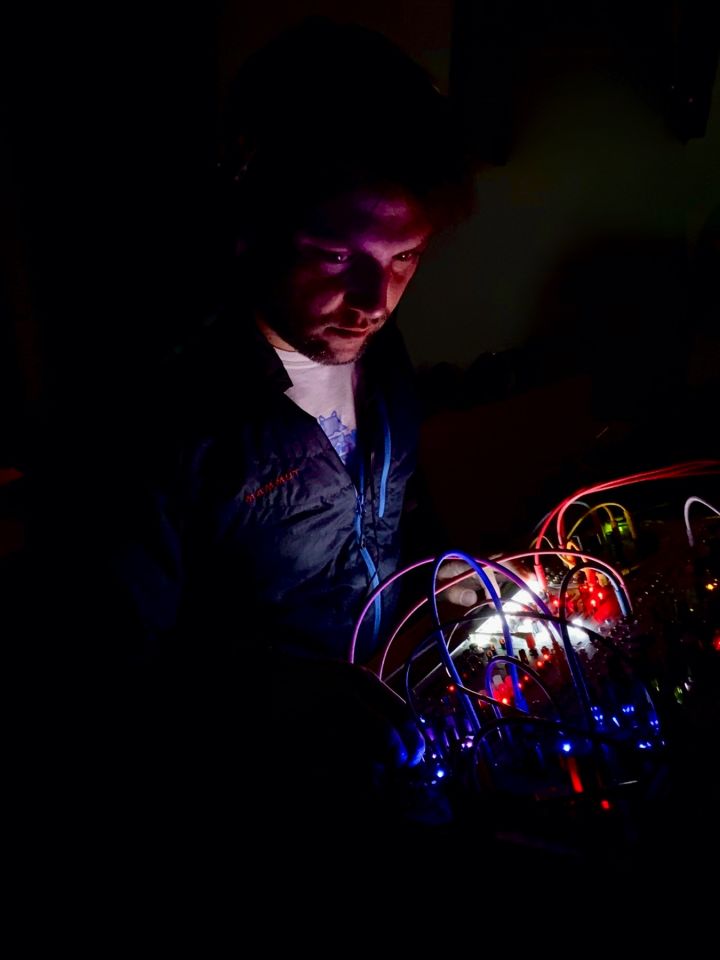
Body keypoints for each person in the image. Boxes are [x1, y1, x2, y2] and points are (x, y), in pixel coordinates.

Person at [21, 18, 476, 843]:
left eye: (405, 257)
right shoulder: (158, 422)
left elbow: (401, 509)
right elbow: (97, 678)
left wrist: (459, 586)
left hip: (387, 781)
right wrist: (276, 696)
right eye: (338, 257)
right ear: (249, 227)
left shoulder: (383, 353)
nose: (376, 301)